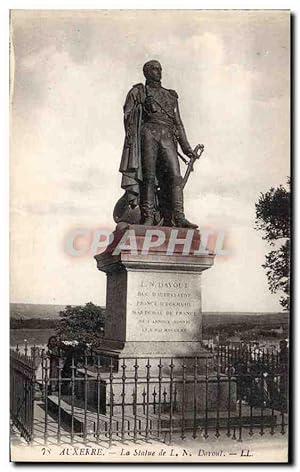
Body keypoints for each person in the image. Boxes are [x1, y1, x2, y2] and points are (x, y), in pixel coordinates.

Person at [118, 60, 198, 228]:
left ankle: (179, 216)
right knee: (149, 176)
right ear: (146, 72)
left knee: (176, 176)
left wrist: (187, 148)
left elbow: (178, 123)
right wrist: (140, 109)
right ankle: (147, 216)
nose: (158, 72)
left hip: (168, 136)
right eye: (154, 69)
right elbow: (128, 115)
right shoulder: (139, 92)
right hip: (148, 134)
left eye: (160, 69)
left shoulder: (170, 96)